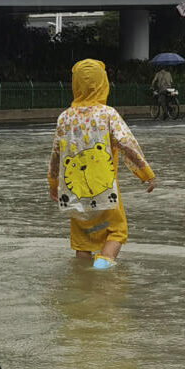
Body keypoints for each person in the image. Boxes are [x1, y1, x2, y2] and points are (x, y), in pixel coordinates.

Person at [47, 59, 156, 270]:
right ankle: (102, 267)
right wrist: (145, 173)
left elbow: (56, 156)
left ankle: (82, 280)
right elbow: (127, 144)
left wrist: (53, 184)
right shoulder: (108, 114)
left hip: (75, 191)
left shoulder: (64, 118)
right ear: (103, 84)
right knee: (116, 231)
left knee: (82, 239)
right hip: (105, 189)